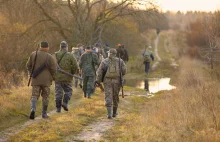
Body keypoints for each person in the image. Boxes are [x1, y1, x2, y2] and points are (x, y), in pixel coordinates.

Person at [26, 41, 57, 119]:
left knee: (34, 96)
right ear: (47, 47)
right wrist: (53, 77)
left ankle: (33, 109)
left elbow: (28, 65)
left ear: (40, 47)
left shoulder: (33, 54)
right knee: (45, 97)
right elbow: (54, 69)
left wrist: (32, 73)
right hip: (46, 81)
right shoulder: (49, 57)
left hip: (35, 79)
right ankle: (44, 114)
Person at [96, 48, 127, 119]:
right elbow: (124, 71)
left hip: (107, 81)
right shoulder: (120, 61)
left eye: (108, 53)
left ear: (109, 53)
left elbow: (99, 72)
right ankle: (114, 113)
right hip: (117, 81)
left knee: (108, 95)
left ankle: (109, 114)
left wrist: (98, 81)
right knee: (115, 96)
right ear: (115, 54)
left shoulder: (104, 61)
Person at [54, 41, 78, 112]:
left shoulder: (55, 55)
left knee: (58, 93)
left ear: (60, 47)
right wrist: (72, 73)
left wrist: (53, 75)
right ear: (66, 47)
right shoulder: (70, 55)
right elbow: (75, 66)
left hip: (58, 78)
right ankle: (65, 103)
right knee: (68, 91)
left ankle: (58, 109)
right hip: (67, 77)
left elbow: (51, 66)